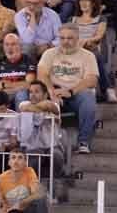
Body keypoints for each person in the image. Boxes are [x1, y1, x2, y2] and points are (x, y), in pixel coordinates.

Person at [38, 24, 98, 154]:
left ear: (77, 38)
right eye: (62, 38)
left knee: (88, 98)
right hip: (54, 92)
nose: (65, 41)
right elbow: (41, 74)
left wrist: (70, 92)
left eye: (70, 38)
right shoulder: (50, 53)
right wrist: (51, 91)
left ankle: (83, 142)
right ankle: (37, 143)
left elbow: (92, 80)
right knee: (34, 94)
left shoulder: (87, 56)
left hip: (76, 93)